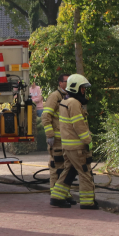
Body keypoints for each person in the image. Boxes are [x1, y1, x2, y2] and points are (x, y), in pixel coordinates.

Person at [49, 74, 97, 209]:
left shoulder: (65, 101)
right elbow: (79, 125)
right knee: (84, 172)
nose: (84, 90)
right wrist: (88, 140)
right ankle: (88, 202)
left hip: (68, 146)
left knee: (68, 171)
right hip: (77, 147)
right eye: (82, 88)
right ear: (75, 87)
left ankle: (57, 197)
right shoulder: (74, 103)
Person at [41, 74, 76, 202]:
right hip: (56, 140)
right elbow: (46, 116)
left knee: (66, 167)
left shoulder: (67, 97)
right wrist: (50, 135)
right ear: (60, 83)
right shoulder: (55, 96)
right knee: (57, 167)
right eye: (67, 81)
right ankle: (56, 194)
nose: (69, 84)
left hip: (66, 139)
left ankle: (64, 193)